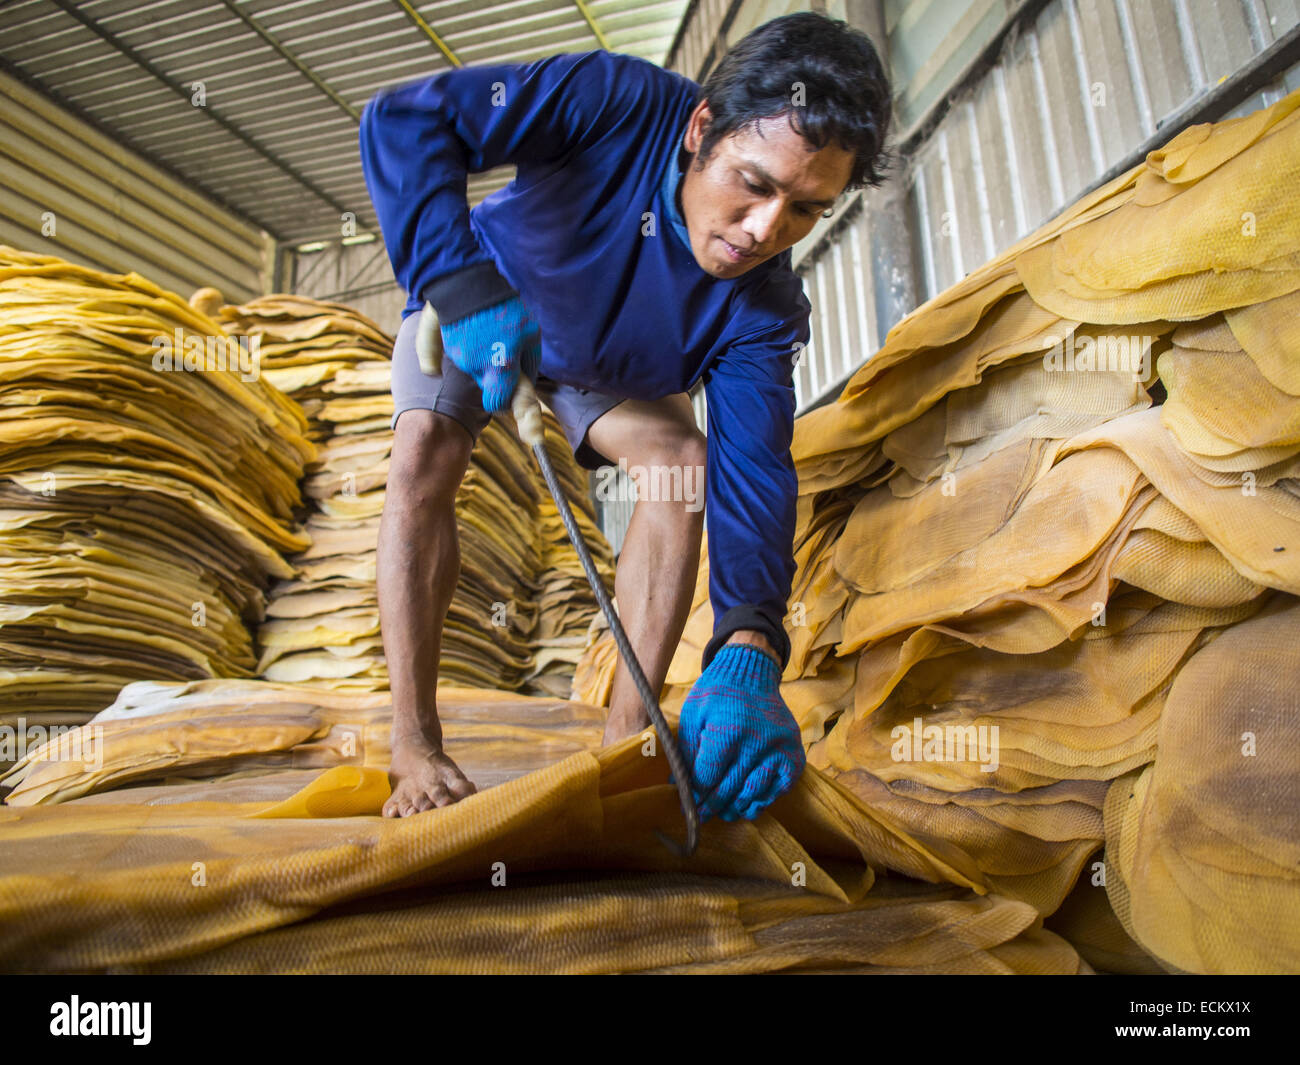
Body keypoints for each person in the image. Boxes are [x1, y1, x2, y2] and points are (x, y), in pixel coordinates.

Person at [360, 11, 892, 821]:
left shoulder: (764, 307)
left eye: (805, 209)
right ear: (702, 127)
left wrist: (750, 644)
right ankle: (414, 742)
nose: (764, 230)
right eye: (753, 183)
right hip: (487, 307)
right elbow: (404, 120)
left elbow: (753, 469)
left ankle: (625, 747)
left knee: (683, 465)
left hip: (609, 368)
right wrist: (458, 283)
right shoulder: (614, 100)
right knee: (425, 446)